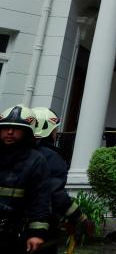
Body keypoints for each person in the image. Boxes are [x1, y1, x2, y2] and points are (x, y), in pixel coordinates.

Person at [31, 107, 92, 253]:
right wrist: (79, 217)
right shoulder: (51, 158)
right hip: (41, 228)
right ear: (47, 130)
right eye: (54, 130)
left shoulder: (17, 153)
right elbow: (55, 195)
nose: (56, 133)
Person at [0, 105, 50, 253]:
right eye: (6, 128)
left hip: (11, 234)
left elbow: (40, 199)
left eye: (16, 128)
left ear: (27, 132)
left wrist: (37, 233)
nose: (10, 132)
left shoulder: (36, 161)